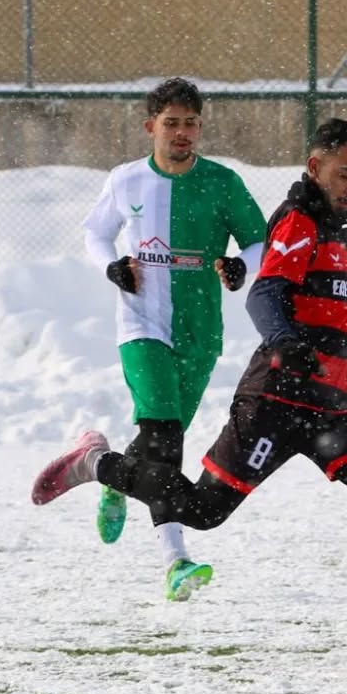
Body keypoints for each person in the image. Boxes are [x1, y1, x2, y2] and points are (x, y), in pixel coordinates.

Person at [33, 118, 347, 644]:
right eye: (344, 173)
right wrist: (285, 338)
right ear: (315, 167)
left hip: (330, 406)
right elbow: (265, 294)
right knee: (201, 511)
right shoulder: (298, 222)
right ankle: (93, 464)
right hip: (276, 399)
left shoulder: (332, 232)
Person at [82, 77, 267, 600]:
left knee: (160, 437)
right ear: (151, 128)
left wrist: (238, 266)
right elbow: (95, 232)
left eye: (191, 124)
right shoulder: (126, 180)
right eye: (172, 124)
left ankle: (117, 474)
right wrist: (112, 267)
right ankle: (176, 560)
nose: (182, 133)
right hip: (141, 325)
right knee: (167, 439)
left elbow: (258, 240)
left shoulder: (223, 182)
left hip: (200, 331)